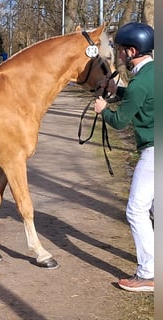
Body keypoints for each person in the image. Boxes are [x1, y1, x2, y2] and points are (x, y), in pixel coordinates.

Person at [94, 22, 154, 292]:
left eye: (120, 52)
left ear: (132, 51)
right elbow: (141, 99)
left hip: (154, 152)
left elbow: (119, 121)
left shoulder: (141, 80)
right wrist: (117, 91)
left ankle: (148, 273)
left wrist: (103, 109)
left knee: (136, 210)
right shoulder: (153, 73)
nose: (118, 56)